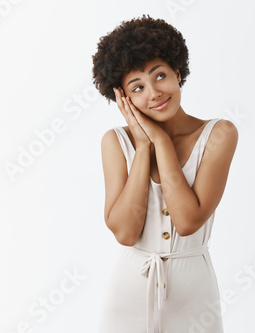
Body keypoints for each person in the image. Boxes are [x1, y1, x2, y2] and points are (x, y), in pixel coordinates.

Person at [92, 14, 238, 332]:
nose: (154, 92)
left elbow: (187, 221)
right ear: (123, 98)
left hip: (194, 299)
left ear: (177, 71)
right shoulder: (116, 142)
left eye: (160, 76)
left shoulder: (219, 134)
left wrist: (160, 140)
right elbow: (125, 233)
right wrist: (144, 148)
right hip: (127, 296)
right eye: (138, 87)